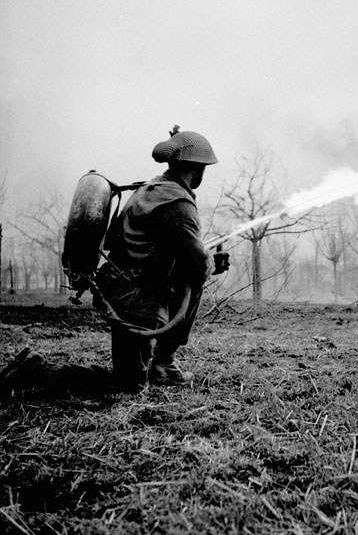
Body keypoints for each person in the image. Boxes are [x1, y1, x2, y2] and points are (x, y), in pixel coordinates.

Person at [0, 127, 229, 397]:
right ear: (197, 168)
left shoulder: (149, 190)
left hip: (123, 289)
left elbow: (150, 249)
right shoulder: (178, 202)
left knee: (130, 376)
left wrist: (200, 259)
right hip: (136, 301)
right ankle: (37, 370)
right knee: (128, 384)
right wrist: (210, 263)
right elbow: (198, 266)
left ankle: (163, 363)